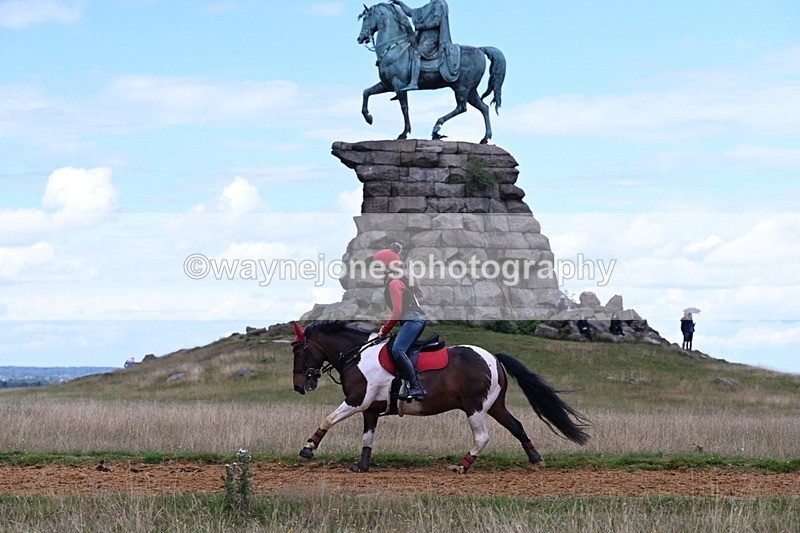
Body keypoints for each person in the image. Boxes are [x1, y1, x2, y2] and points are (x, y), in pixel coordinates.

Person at [374, 243, 426, 400]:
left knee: (397, 350)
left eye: (379, 265)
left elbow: (397, 311)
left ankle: (416, 387)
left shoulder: (394, 282)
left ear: (388, 267)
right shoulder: (397, 280)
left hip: (413, 320)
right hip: (413, 320)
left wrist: (383, 330)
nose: (376, 269)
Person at [390, 0, 460, 90]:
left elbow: (436, 22)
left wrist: (421, 26)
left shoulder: (439, 4)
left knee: (416, 53)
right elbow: (411, 12)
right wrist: (400, 3)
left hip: (433, 38)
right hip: (423, 38)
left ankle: (414, 82)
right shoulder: (428, 6)